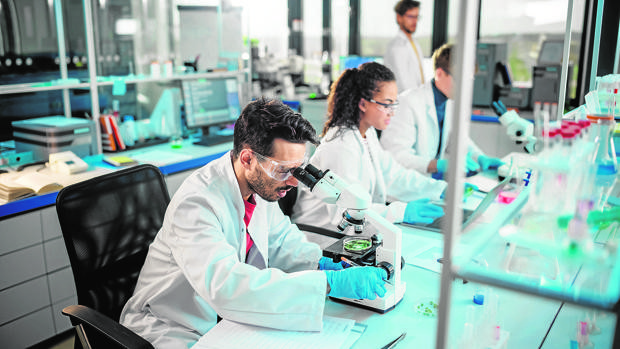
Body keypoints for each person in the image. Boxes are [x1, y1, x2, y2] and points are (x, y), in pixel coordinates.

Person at [119, 98, 388, 348]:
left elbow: (281, 240)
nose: (293, 182)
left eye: (298, 169)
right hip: (173, 326)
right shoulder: (197, 203)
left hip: (226, 321)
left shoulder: (259, 189)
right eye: (284, 170)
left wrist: (318, 262)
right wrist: (327, 283)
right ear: (247, 158)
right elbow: (226, 286)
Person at [290, 62, 447, 233]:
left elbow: (393, 175)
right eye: (386, 104)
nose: (392, 112)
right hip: (321, 237)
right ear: (363, 104)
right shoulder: (341, 146)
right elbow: (346, 213)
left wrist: (440, 189)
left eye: (394, 104)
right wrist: (400, 212)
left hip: (350, 234)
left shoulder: (367, 134)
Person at [380, 43, 504, 179]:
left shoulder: (450, 102)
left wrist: (480, 157)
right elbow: (396, 156)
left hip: (427, 183)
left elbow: (457, 139)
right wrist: (438, 165)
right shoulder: (408, 103)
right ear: (439, 73)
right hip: (403, 188)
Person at [384, 0, 427, 93]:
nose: (414, 21)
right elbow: (405, 84)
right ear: (399, 17)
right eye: (411, 16)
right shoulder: (396, 47)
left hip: (418, 98)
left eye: (416, 17)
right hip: (406, 101)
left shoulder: (414, 42)